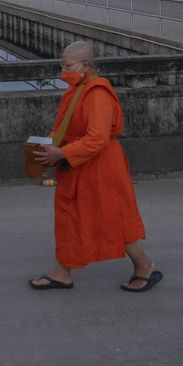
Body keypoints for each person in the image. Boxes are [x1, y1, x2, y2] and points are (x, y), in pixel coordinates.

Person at [29, 40, 162, 292]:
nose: (62, 70)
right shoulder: (78, 89)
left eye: (67, 65)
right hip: (76, 163)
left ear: (85, 66)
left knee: (112, 217)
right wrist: (51, 142)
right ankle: (62, 272)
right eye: (62, 64)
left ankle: (144, 265)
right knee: (68, 215)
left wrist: (62, 152)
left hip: (100, 167)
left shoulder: (97, 93)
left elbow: (97, 138)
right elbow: (68, 125)